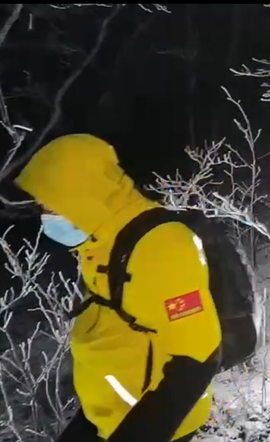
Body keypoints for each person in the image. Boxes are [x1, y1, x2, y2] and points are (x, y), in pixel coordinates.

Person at [15, 134, 222, 442]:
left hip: (148, 418)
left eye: (52, 206)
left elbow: (198, 356)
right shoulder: (101, 239)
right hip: (106, 410)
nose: (45, 216)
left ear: (83, 194)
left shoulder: (162, 247)